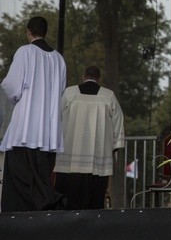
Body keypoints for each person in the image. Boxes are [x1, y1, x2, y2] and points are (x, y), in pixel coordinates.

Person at [0, 16, 67, 212]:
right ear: (45, 32)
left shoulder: (25, 52)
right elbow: (60, 90)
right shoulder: (59, 59)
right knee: (42, 177)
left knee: (19, 175)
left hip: (26, 129)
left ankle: (19, 219)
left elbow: (12, 86)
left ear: (28, 32)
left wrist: (16, 97)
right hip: (47, 131)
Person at [54, 65, 125, 210]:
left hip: (70, 160)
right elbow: (118, 122)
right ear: (99, 79)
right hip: (97, 159)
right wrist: (115, 146)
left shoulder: (69, 93)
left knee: (68, 200)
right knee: (94, 201)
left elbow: (56, 118)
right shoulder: (108, 96)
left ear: (83, 76)